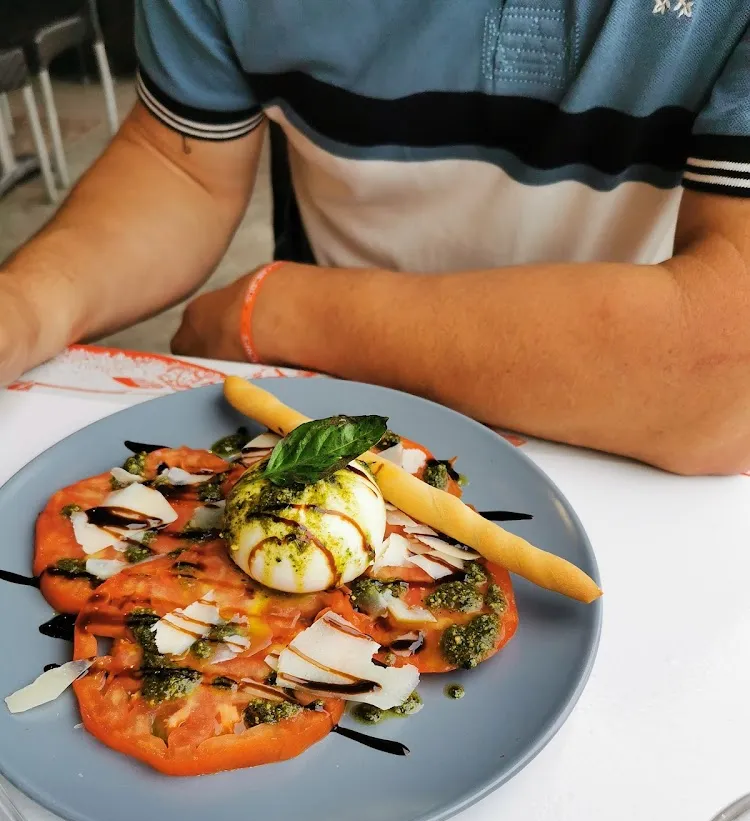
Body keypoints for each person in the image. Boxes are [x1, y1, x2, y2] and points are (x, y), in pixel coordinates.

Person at [1, 0, 749, 476]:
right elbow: (181, 162)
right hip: (322, 414)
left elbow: (726, 371)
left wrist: (274, 308)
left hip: (623, 437)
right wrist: (28, 303)